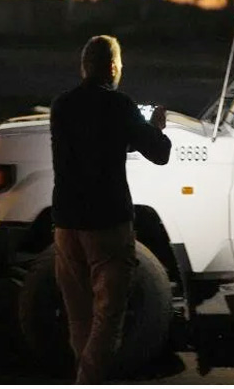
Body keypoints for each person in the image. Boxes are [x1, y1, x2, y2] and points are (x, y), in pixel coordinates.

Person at [49, 35, 171, 384]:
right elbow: (159, 153)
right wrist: (155, 127)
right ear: (114, 67)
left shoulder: (62, 105)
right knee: (108, 317)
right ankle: (88, 380)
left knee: (79, 316)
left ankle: (85, 373)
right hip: (107, 224)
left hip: (66, 223)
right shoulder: (120, 105)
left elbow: (95, 140)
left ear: (83, 67)